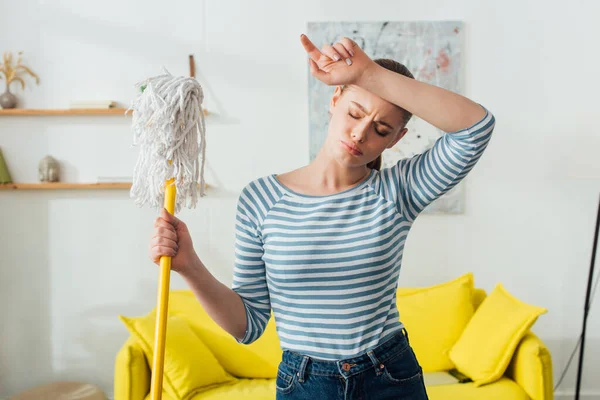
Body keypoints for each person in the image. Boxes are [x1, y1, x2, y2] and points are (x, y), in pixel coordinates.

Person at [149, 34, 495, 400]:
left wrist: (368, 74)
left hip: (389, 377)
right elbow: (247, 325)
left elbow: (476, 127)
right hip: (305, 383)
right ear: (335, 100)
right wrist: (189, 265)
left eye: (381, 130)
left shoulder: (399, 191)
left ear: (396, 139)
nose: (360, 133)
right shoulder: (261, 199)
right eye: (355, 113)